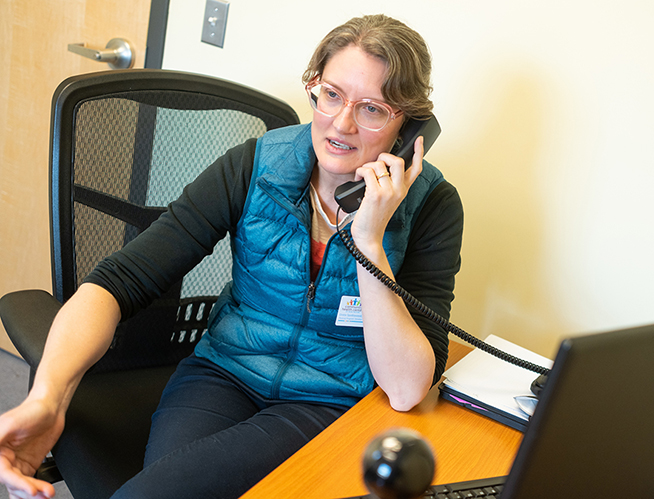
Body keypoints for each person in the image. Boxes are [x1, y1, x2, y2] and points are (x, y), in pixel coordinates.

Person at [0, 13, 463, 499]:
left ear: (409, 127)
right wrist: (48, 400)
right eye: (331, 94)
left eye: (372, 109)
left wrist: (369, 241)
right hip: (223, 373)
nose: (341, 124)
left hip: (326, 402)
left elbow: (409, 388)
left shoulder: (433, 207)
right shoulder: (257, 165)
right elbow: (120, 281)